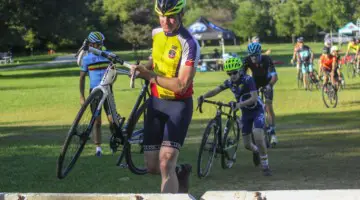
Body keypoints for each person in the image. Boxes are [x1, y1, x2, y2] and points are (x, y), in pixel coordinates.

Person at [130, 0, 200, 194]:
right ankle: (180, 173)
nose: (165, 21)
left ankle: (172, 175)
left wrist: (149, 76)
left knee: (166, 162)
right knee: (153, 167)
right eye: (161, 16)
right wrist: (143, 68)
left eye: (170, 17)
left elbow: (181, 84)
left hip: (178, 106)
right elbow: (156, 59)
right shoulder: (156, 34)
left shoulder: (189, 43)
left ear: (180, 16)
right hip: (156, 103)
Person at [198, 57, 272, 176]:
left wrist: (239, 104)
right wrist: (204, 96)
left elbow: (254, 97)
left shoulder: (248, 80)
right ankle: (257, 151)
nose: (232, 75)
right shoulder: (229, 83)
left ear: (240, 71)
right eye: (229, 73)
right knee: (247, 145)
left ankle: (265, 165)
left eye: (234, 72)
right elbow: (216, 90)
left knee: (258, 135)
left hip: (257, 110)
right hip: (245, 114)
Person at [79, 31, 115, 157]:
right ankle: (98, 148)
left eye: (102, 43)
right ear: (92, 44)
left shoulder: (108, 55)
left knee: (112, 120)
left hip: (108, 91)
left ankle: (114, 143)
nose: (101, 45)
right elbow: (82, 78)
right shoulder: (87, 59)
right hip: (94, 92)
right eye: (98, 44)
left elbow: (114, 73)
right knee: (96, 121)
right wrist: (82, 96)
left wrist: (111, 82)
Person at [243, 42, 278, 147]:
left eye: (255, 55)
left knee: (268, 106)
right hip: (254, 83)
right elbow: (242, 75)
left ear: (260, 54)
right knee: (252, 104)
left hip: (267, 82)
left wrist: (269, 85)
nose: (253, 57)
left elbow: (274, 77)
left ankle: (272, 133)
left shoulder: (266, 59)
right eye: (251, 55)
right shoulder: (247, 60)